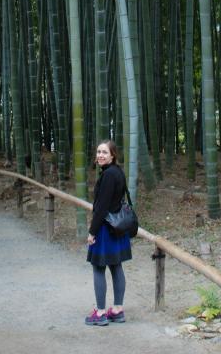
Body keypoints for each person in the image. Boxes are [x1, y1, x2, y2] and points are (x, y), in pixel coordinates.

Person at [85, 140, 131, 326]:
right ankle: (117, 310)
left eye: (104, 152)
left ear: (113, 155)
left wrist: (92, 232)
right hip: (117, 228)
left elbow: (102, 207)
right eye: (98, 152)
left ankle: (101, 313)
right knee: (116, 266)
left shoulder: (108, 175)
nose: (100, 155)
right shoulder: (117, 171)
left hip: (105, 228)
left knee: (98, 268)